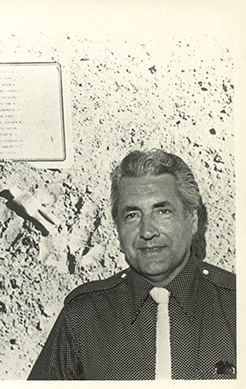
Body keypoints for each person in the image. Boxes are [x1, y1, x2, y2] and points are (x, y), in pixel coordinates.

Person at [28, 149, 235, 380]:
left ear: (193, 220)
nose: (147, 231)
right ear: (117, 228)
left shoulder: (236, 306)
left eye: (162, 211)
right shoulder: (83, 317)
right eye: (132, 215)